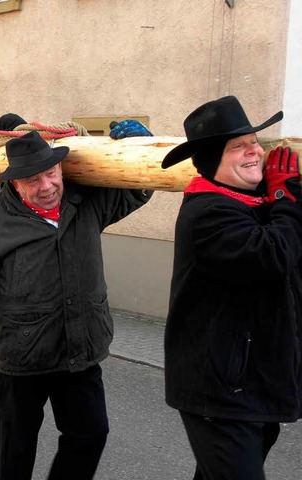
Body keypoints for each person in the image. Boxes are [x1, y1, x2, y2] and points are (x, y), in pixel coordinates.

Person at [0, 129, 152, 479]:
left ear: (61, 170)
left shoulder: (85, 201)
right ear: (15, 185)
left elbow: (135, 192)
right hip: (22, 358)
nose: (46, 186)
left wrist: (142, 148)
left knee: (91, 433)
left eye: (51, 174)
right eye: (33, 180)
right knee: (15, 453)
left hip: (79, 349)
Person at [161, 95, 302, 479]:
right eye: (238, 147)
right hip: (220, 388)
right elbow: (273, 256)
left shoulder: (252, 202)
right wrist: (286, 197)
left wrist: (282, 198)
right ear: (211, 161)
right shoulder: (208, 213)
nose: (255, 151)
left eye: (254, 141)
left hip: (256, 382)